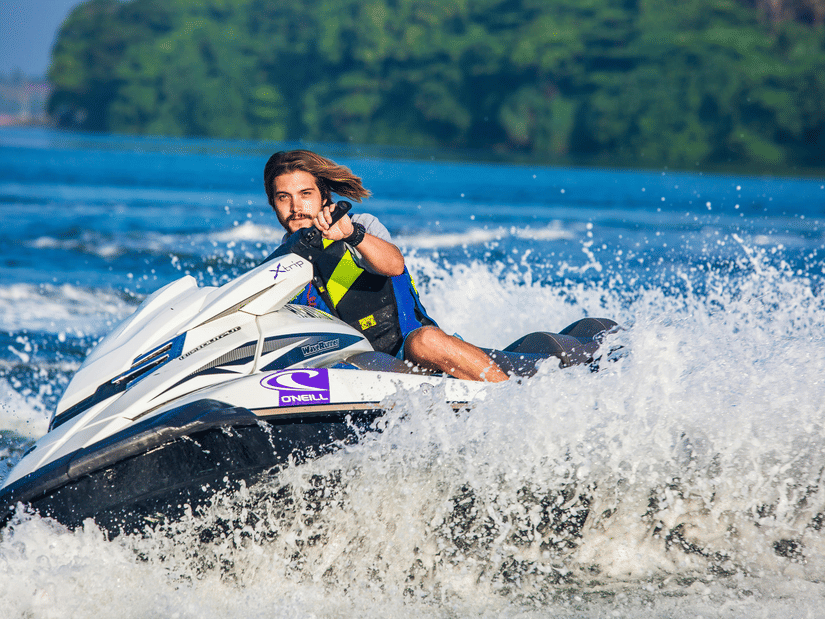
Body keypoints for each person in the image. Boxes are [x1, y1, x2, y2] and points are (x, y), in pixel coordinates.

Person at [263, 149, 508, 382]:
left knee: (426, 342)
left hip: (408, 347)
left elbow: (394, 265)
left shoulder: (360, 226)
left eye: (305, 194)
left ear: (324, 196)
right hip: (350, 365)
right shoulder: (276, 267)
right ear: (273, 203)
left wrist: (352, 235)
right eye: (284, 197)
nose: (295, 207)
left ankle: (511, 397)